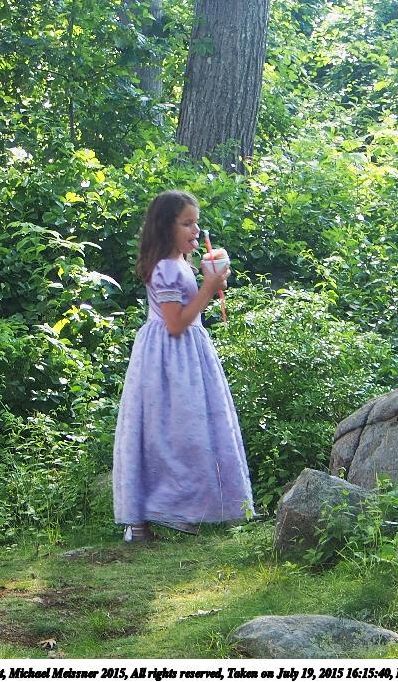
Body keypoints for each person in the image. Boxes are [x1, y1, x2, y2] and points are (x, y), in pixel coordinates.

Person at [113, 190, 253, 542]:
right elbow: (175, 324)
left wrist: (211, 280)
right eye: (187, 223)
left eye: (196, 223)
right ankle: (163, 512)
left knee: (186, 434)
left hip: (185, 356)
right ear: (166, 228)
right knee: (172, 436)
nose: (196, 230)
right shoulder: (165, 269)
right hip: (168, 360)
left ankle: (176, 511)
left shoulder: (180, 265)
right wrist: (208, 287)